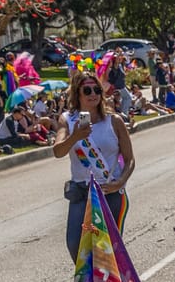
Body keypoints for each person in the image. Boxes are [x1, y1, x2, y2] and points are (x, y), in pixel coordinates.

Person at [54, 70, 134, 260]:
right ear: (77, 93)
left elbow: (129, 159)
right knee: (75, 244)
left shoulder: (114, 121)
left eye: (97, 90)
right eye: (87, 90)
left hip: (109, 192)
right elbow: (58, 151)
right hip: (81, 192)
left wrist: (120, 182)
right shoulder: (68, 120)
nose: (93, 95)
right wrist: (75, 136)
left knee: (106, 251)